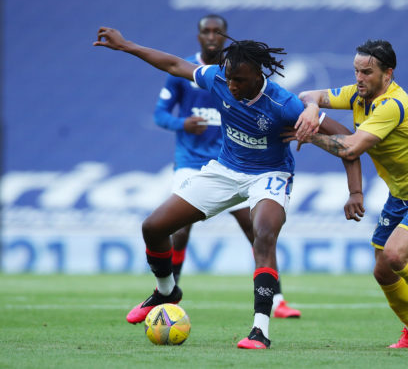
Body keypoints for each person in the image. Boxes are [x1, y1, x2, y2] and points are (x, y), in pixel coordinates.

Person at [93, 27, 364, 349]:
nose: (232, 85)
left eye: (240, 80)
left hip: (269, 175)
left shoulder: (284, 105)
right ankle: (166, 291)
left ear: (258, 76)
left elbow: (348, 142)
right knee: (153, 227)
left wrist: (355, 192)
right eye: (230, 78)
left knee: (263, 234)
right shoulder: (219, 79)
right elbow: (174, 65)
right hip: (224, 170)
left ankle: (260, 329)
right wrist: (127, 46)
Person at [290, 39, 408, 348]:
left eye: (366, 72)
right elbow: (307, 94)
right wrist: (313, 109)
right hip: (400, 196)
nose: (359, 79)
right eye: (356, 71)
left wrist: (309, 135)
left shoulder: (392, 105)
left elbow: (352, 146)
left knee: (395, 255)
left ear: (387, 74)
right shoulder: (358, 94)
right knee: (383, 271)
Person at [154, 14, 300, 318]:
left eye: (216, 31)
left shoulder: (240, 72)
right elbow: (160, 115)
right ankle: (168, 294)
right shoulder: (204, 75)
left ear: (224, 36)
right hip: (194, 162)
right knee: (177, 230)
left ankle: (277, 299)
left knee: (258, 230)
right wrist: (182, 123)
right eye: (205, 31)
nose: (211, 36)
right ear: (198, 37)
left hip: (236, 161)